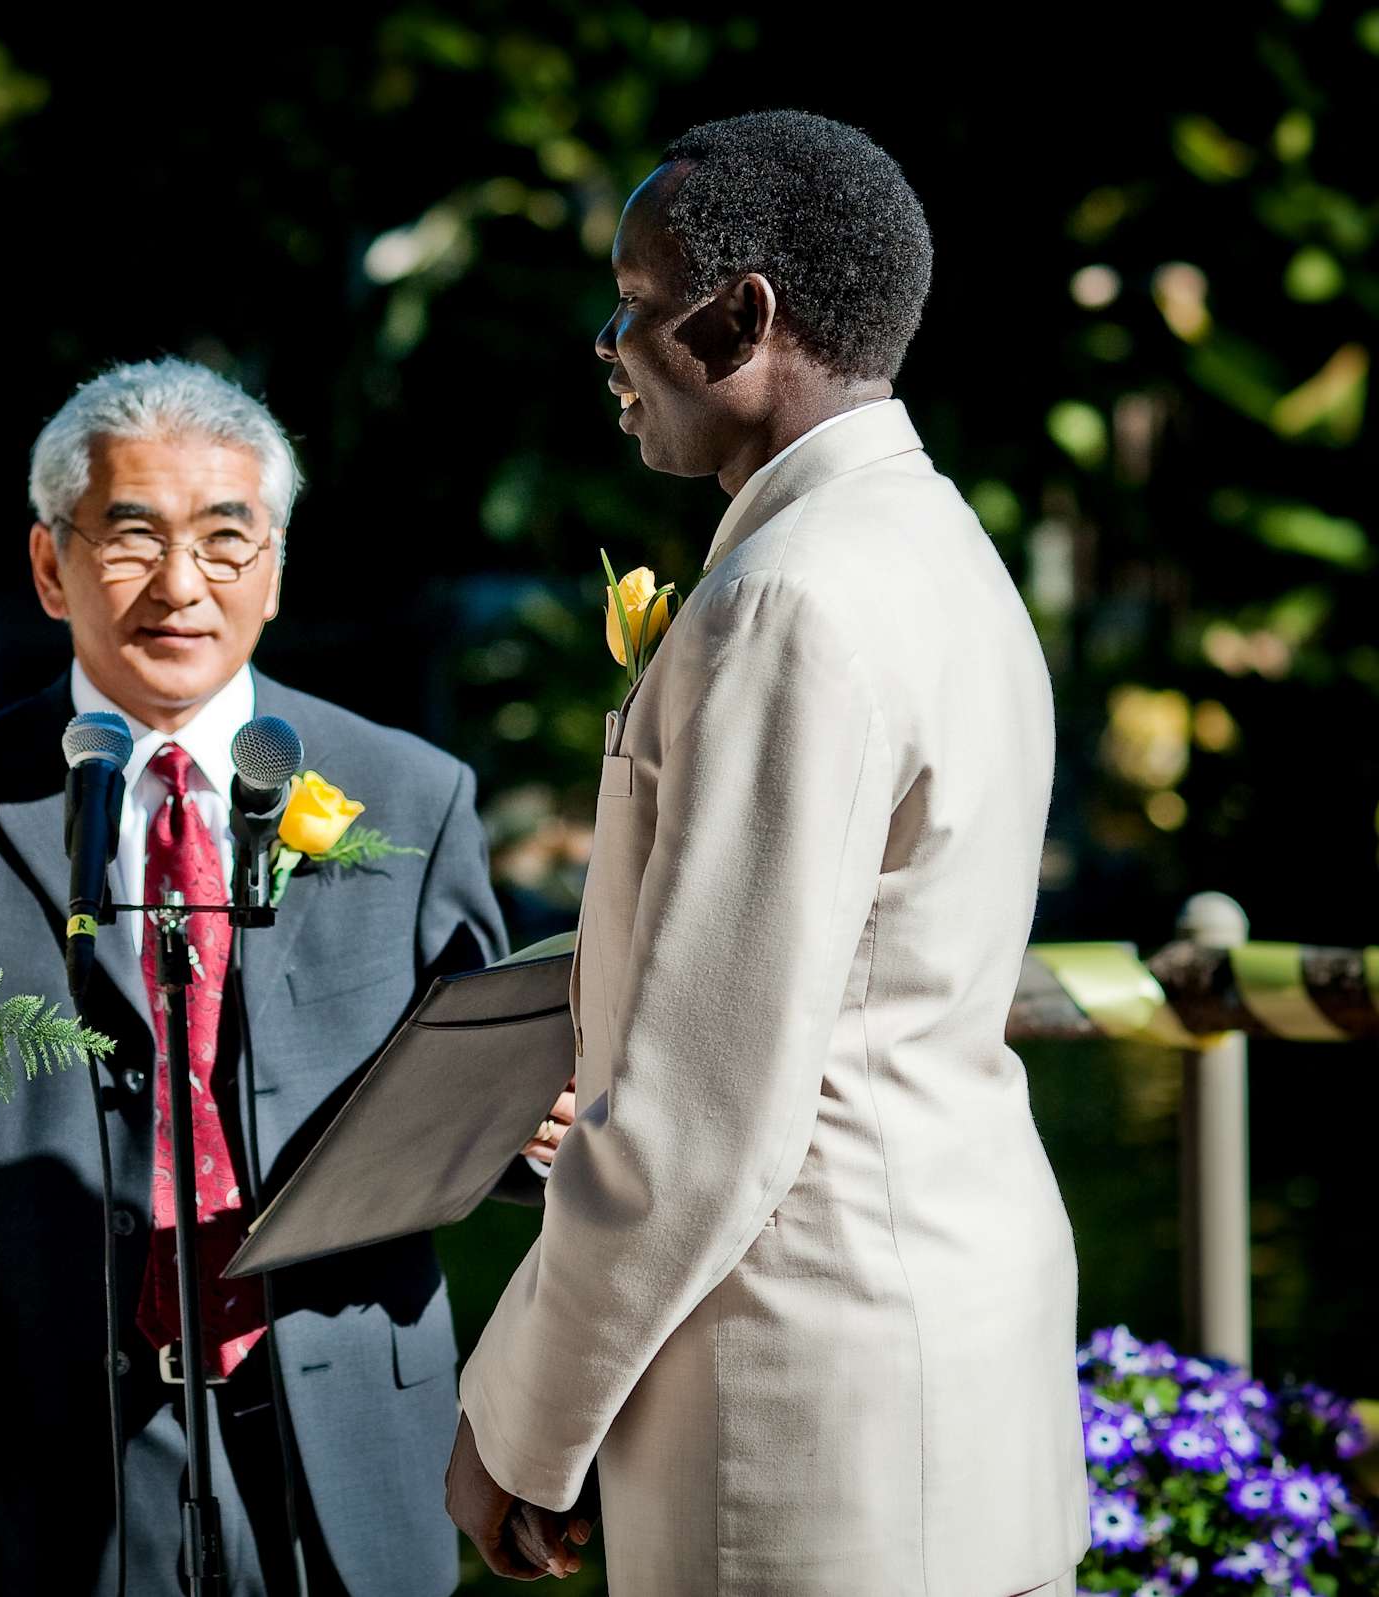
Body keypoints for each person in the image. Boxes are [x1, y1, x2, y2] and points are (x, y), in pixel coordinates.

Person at [447, 112, 1089, 1596]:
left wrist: (521, 1422)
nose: (606, 341)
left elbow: (700, 1117)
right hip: (950, 1356)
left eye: (633, 296)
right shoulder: (938, 544)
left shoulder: (790, 598)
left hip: (807, 1410)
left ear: (744, 318)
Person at [0, 358, 527, 1596]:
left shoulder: (416, 795)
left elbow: (486, 1097)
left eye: (225, 538)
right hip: (48, 1451)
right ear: (51, 565)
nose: (180, 585)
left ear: (275, 562)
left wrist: (538, 1134)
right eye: (133, 537)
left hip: (356, 1440)